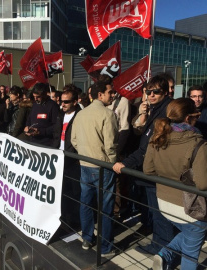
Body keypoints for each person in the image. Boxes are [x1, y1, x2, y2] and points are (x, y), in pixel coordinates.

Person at [113, 75, 174, 255]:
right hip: (150, 168)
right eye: (149, 91)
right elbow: (139, 130)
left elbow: (147, 147)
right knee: (155, 212)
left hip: (157, 170)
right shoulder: (154, 109)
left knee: (159, 214)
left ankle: (162, 250)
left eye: (156, 92)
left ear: (165, 92)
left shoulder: (165, 112)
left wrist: (124, 163)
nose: (152, 95)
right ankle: (161, 246)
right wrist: (143, 113)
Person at [143, 98, 207, 270]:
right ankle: (166, 255)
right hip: (189, 207)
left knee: (190, 234)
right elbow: (202, 184)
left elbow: (148, 170)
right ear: (188, 118)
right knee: (191, 250)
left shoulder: (157, 138)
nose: (198, 118)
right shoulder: (198, 144)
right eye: (196, 115)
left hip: (163, 203)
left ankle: (164, 255)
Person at [71, 81, 118, 257]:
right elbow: (110, 145)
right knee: (105, 208)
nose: (112, 95)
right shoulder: (108, 114)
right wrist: (112, 163)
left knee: (86, 203)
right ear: (100, 95)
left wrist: (84, 152)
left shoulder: (81, 114)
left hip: (85, 163)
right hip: (103, 166)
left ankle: (87, 238)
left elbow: (74, 139)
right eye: (110, 92)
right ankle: (105, 248)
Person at [52, 89, 81, 225]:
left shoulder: (80, 116)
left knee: (74, 192)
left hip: (73, 160)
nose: (62, 104)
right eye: (61, 101)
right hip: (59, 157)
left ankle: (74, 221)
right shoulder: (60, 115)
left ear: (75, 102)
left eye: (66, 102)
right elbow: (56, 132)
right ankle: (64, 218)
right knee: (61, 190)